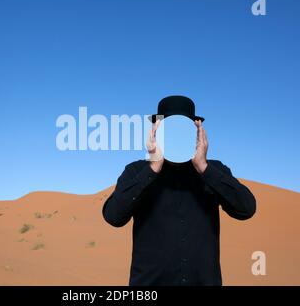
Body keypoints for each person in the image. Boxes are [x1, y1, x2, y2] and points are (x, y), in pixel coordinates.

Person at [102, 95, 256, 286]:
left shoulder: (214, 170)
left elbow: (246, 209)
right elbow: (113, 216)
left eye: (182, 128)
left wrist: (204, 167)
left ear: (196, 132)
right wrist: (152, 167)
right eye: (169, 128)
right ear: (156, 131)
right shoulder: (136, 171)